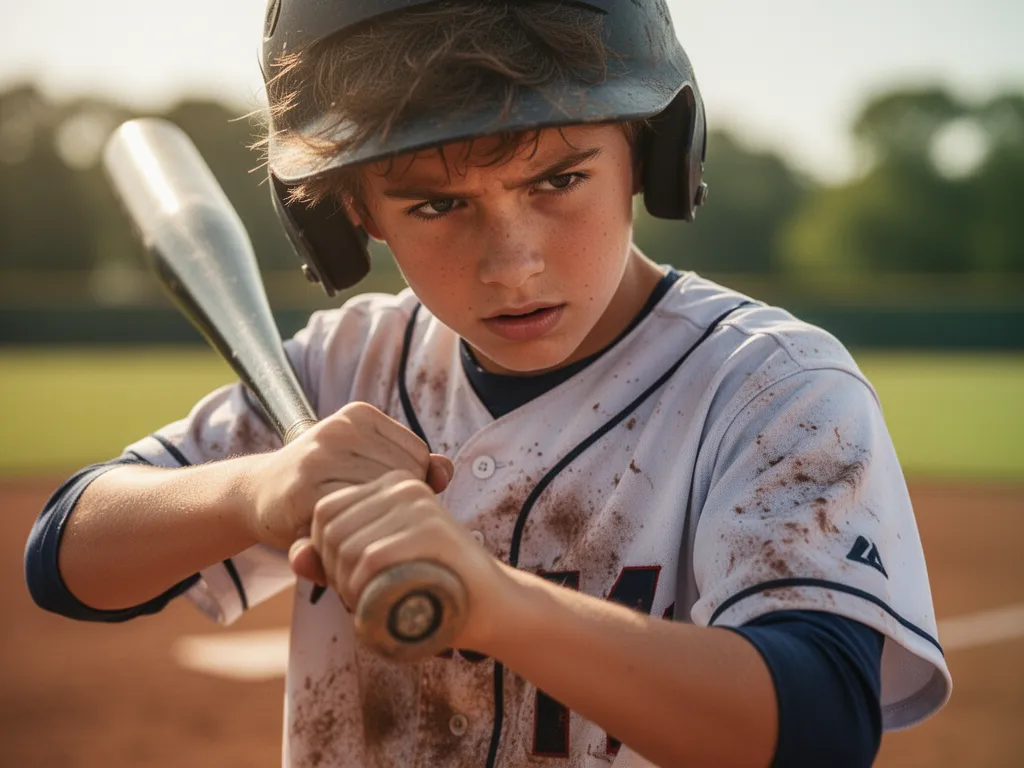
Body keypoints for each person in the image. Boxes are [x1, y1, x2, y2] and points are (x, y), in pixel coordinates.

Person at [26, 1, 951, 766]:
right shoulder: (339, 369)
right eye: (437, 204)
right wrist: (258, 488)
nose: (512, 264)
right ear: (353, 215)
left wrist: (497, 603)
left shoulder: (770, 389)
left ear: (649, 154)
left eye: (559, 180)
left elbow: (821, 725)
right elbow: (65, 558)